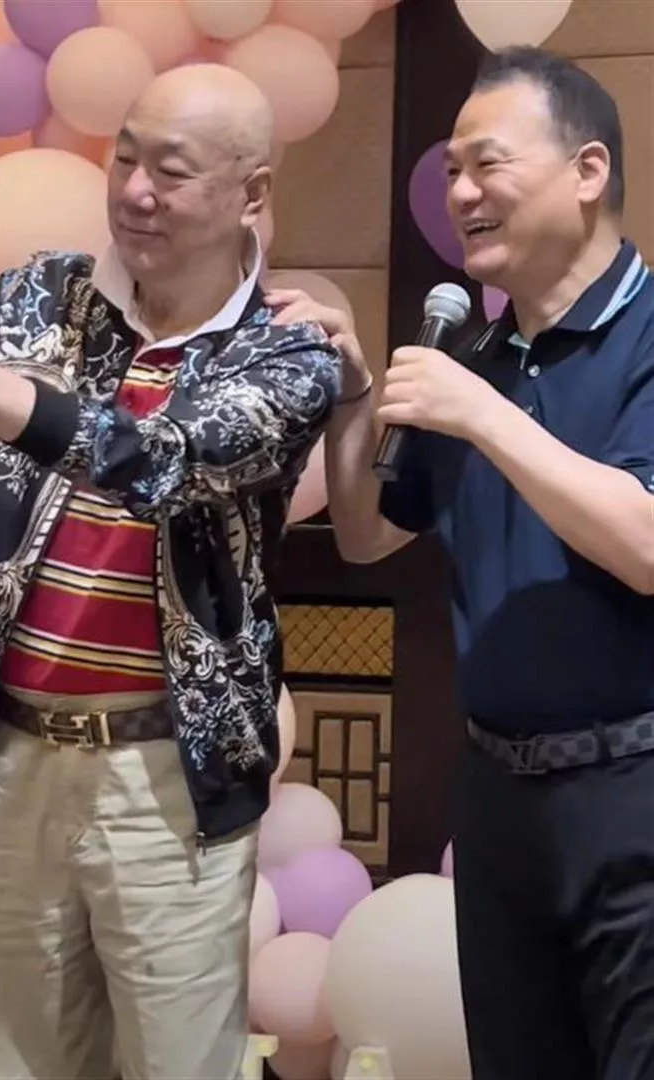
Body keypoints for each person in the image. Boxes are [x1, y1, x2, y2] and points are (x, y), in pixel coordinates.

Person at [0, 64, 342, 1080]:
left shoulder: (286, 351)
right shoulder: (42, 297)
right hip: (12, 761)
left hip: (167, 780)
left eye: (171, 171)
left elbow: (165, 462)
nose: (136, 190)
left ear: (252, 193)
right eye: (125, 159)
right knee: (9, 1063)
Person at [268, 46, 654, 1080]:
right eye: (449, 171)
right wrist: (358, 397)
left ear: (587, 170)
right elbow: (366, 535)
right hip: (496, 799)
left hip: (634, 791)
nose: (461, 194)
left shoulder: (642, 335)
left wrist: (481, 414)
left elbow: (647, 545)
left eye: (487, 163)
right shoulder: (477, 359)